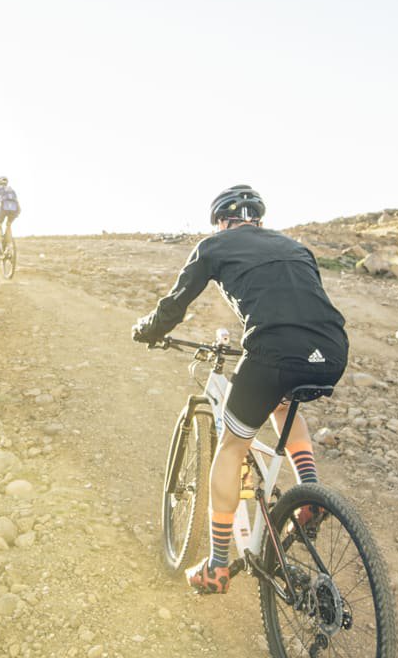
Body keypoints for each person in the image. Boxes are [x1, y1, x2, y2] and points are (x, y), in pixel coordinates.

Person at [132, 185, 348, 594]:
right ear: (258, 219)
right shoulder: (296, 247)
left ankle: (216, 565)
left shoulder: (214, 245)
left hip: (272, 350)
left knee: (233, 445)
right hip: (332, 350)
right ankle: (310, 494)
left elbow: (175, 303)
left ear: (220, 221)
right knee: (283, 404)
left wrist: (147, 330)